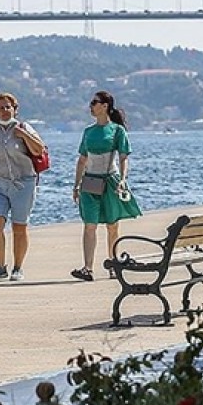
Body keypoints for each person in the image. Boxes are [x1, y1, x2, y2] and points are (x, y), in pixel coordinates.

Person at [0, 92, 45, 282]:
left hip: (24, 183)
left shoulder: (24, 127)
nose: (5, 111)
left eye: (8, 107)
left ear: (14, 109)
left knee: (19, 227)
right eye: (1, 107)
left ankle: (18, 268)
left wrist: (24, 135)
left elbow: (40, 149)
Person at [70, 90, 141, 282]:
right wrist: (76, 185)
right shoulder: (88, 132)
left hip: (110, 180)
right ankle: (87, 268)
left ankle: (113, 263)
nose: (91, 106)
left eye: (94, 102)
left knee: (112, 225)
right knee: (89, 225)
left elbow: (123, 157)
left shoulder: (117, 131)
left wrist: (123, 179)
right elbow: (82, 159)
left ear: (105, 106)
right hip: (90, 181)